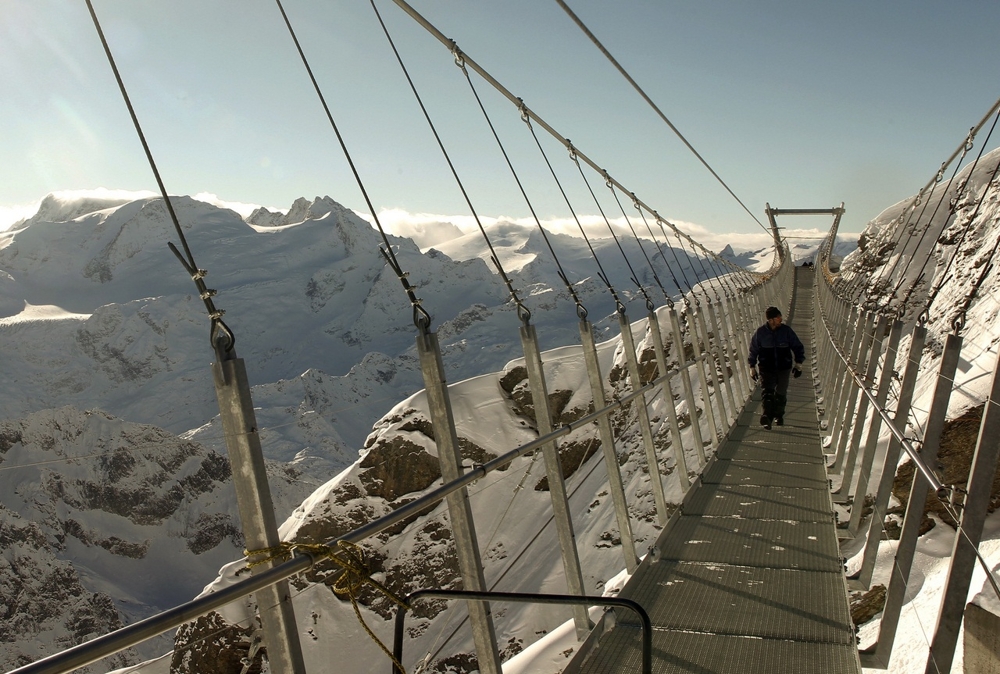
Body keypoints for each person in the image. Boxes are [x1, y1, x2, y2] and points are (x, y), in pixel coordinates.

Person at [748, 306, 805, 429]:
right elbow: (754, 350)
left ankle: (779, 416)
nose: (781, 319)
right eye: (778, 317)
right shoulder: (761, 333)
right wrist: (752, 366)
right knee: (767, 392)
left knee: (780, 393)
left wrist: (798, 364)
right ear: (771, 320)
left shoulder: (786, 331)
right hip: (766, 367)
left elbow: (797, 347)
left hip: (784, 367)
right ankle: (767, 417)